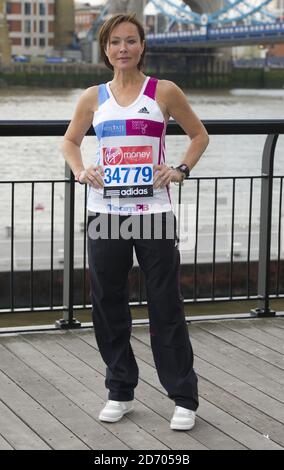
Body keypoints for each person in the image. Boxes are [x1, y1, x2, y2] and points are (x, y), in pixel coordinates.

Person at [61, 13, 209, 431]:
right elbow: (70, 141)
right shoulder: (93, 97)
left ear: (142, 46)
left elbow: (199, 135)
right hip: (105, 213)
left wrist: (179, 169)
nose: (122, 49)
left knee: (165, 305)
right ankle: (120, 390)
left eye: (130, 41)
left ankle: (183, 397)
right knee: (108, 304)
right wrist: (80, 169)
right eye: (114, 42)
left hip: (154, 214)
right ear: (105, 49)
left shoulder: (163, 91)